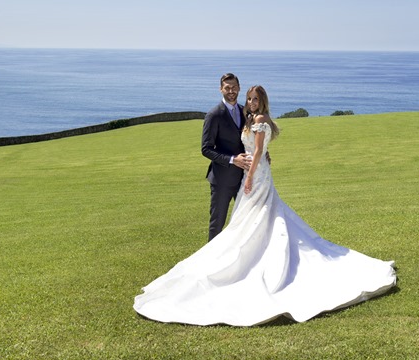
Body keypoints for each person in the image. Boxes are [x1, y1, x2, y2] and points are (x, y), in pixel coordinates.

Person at [133, 85, 396, 327]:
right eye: (249, 98)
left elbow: (257, 151)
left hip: (256, 175)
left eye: (255, 99)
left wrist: (248, 177)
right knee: (251, 216)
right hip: (258, 172)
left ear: (262, 102)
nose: (250, 102)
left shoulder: (259, 121)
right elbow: (252, 147)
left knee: (260, 214)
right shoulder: (252, 119)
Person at [201, 73, 252, 241]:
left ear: (239, 88)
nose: (231, 91)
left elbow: (249, 140)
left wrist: (263, 152)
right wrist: (232, 159)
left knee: (246, 222)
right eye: (227, 88)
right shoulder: (214, 115)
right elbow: (206, 149)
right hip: (222, 179)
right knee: (217, 224)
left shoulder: (245, 111)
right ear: (221, 89)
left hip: (244, 179)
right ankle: (211, 263)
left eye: (234, 87)